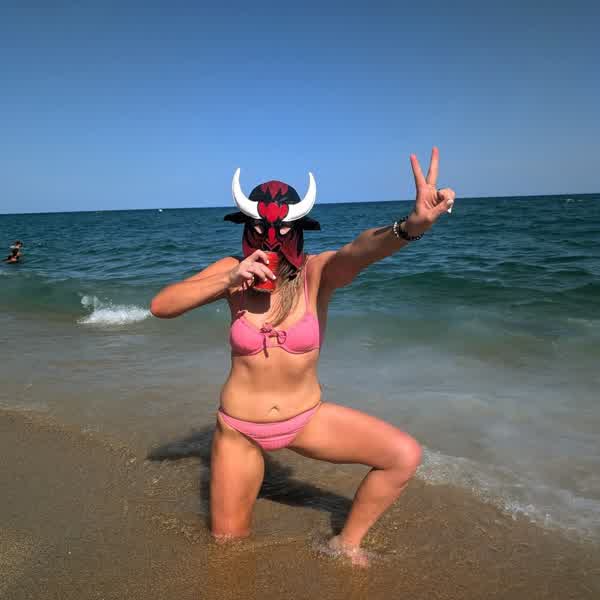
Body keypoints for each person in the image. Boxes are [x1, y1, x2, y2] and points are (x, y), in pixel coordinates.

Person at [150, 148, 455, 566]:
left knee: (403, 455)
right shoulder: (232, 271)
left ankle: (345, 544)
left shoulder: (316, 273)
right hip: (239, 430)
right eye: (259, 227)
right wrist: (228, 278)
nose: (270, 237)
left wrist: (409, 227)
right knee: (228, 552)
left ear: (299, 229)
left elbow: (359, 250)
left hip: (305, 419)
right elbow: (161, 305)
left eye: (282, 228)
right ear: (245, 226)